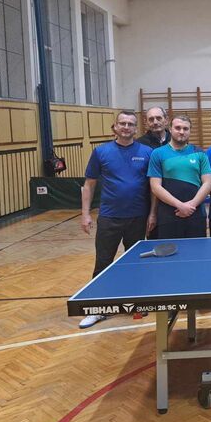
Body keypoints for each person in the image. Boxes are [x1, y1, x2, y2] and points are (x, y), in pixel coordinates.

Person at [79, 110, 155, 329]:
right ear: (115, 127)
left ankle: (136, 304)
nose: (126, 127)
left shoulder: (147, 152)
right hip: (109, 217)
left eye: (130, 124)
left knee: (135, 263)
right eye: (122, 123)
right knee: (103, 262)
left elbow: (153, 187)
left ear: (136, 129)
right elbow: (89, 184)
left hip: (138, 217)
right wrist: (85, 214)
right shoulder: (101, 152)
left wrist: (152, 213)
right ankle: (98, 308)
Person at [148, 115, 211, 239]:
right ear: (170, 129)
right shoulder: (157, 153)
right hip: (168, 216)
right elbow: (155, 187)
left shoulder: (199, 153)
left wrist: (191, 205)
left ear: (190, 131)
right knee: (170, 251)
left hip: (195, 214)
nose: (182, 132)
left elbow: (208, 183)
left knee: (196, 250)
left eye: (185, 128)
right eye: (178, 128)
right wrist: (180, 206)